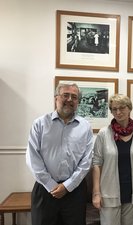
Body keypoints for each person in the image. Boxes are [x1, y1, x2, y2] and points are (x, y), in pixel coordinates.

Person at [26, 82, 93, 225]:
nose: (69, 99)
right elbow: (33, 158)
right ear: (56, 98)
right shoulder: (40, 124)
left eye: (74, 97)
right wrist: (51, 185)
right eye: (65, 95)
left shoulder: (85, 127)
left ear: (78, 102)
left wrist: (67, 186)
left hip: (74, 191)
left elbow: (86, 161)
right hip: (45, 190)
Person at [92, 94, 133, 225]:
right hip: (109, 192)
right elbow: (96, 163)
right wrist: (96, 192)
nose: (118, 112)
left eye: (122, 108)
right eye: (114, 109)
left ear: (129, 108)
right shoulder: (103, 133)